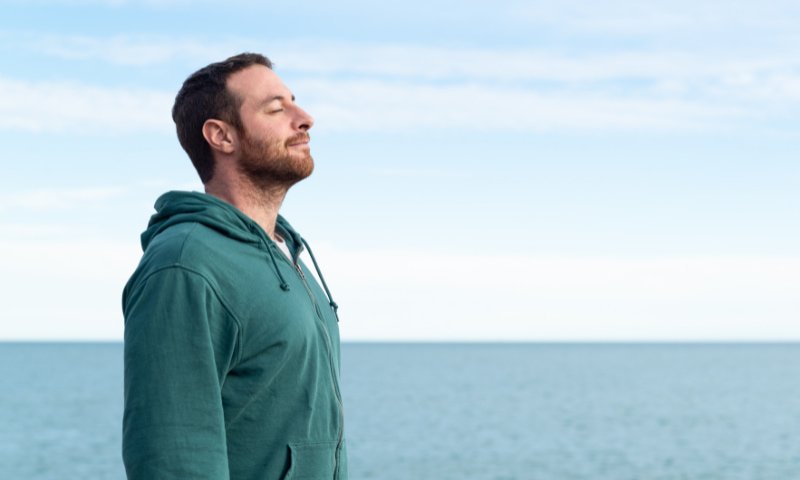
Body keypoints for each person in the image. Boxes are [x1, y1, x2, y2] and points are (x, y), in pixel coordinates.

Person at [122, 53, 347, 480]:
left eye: (294, 102)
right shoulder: (185, 265)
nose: (305, 118)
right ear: (221, 136)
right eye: (277, 109)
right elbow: (174, 458)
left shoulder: (286, 254)